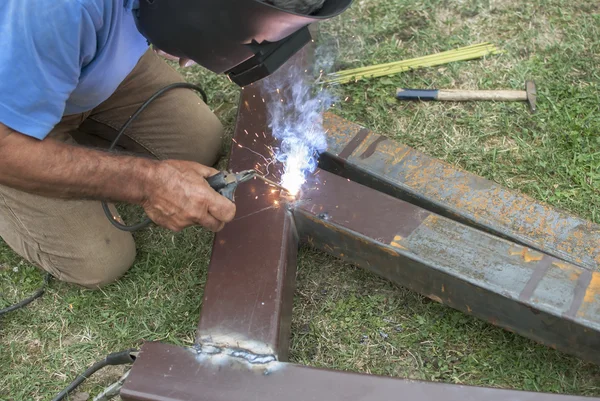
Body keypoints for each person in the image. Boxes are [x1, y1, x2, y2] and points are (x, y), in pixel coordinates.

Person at [0, 0, 326, 289]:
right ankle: (32, 143)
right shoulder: (57, 10)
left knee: (198, 141)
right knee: (100, 258)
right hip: (8, 134)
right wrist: (148, 182)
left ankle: (52, 115)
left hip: (79, 56)